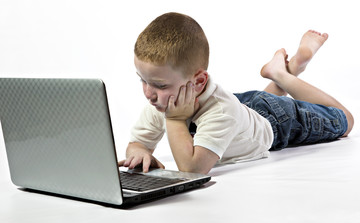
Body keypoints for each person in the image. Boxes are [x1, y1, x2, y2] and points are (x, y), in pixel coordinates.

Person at [118, 12, 354, 174]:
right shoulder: (162, 101)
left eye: (159, 85)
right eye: (143, 80)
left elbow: (192, 169)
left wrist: (176, 119)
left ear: (199, 81)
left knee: (345, 120)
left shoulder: (211, 111)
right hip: (243, 112)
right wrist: (139, 153)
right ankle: (285, 70)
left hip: (276, 120)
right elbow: (137, 142)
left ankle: (284, 75)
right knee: (246, 115)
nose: (149, 93)